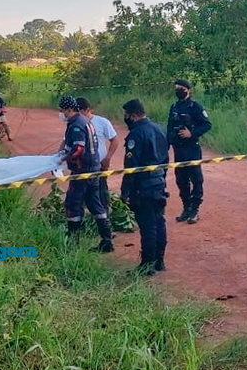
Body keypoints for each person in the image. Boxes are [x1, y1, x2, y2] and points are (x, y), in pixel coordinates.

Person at [57, 95, 113, 253]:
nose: (61, 114)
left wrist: (63, 158)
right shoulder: (85, 121)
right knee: (95, 204)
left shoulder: (76, 124)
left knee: (72, 203)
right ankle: (107, 241)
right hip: (93, 171)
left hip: (82, 172)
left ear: (69, 109)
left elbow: (79, 148)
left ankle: (74, 243)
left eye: (62, 111)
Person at [120, 99, 170, 276]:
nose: (125, 118)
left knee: (148, 226)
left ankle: (147, 265)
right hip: (158, 183)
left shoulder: (136, 134)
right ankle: (159, 261)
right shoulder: (159, 129)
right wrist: (162, 180)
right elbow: (165, 160)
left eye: (126, 115)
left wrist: (125, 191)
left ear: (133, 115)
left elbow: (131, 166)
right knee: (159, 222)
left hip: (142, 187)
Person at [167, 79, 212, 224]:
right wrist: (167, 143)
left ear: (188, 90)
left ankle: (195, 210)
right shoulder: (174, 107)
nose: (178, 91)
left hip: (191, 148)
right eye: (176, 89)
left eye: (181, 88)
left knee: (196, 180)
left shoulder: (195, 107)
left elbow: (206, 125)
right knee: (181, 180)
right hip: (178, 149)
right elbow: (169, 127)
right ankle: (186, 208)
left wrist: (191, 133)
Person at [77, 97, 119, 213]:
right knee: (81, 196)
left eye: (79, 111)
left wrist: (108, 158)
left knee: (101, 194)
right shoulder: (76, 124)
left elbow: (114, 140)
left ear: (86, 110)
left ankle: (105, 221)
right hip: (82, 166)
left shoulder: (102, 122)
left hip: (99, 165)